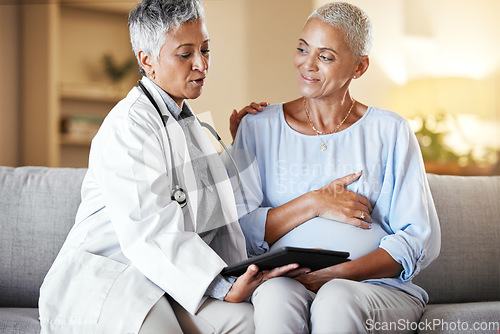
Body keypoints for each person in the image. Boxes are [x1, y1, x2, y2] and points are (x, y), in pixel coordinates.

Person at [38, 1, 302, 333]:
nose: (201, 64)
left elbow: (212, 210)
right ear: (146, 60)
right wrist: (222, 287)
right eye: (185, 54)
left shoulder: (189, 125)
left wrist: (241, 143)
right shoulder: (128, 127)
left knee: (249, 323)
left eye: (205, 50)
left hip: (167, 279)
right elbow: (149, 230)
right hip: (113, 278)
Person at [230, 2, 441, 333]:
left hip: (374, 287)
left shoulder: (390, 131)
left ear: (359, 67)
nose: (307, 65)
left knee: (335, 298)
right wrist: (315, 203)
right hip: (285, 278)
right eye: (302, 49)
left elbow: (415, 238)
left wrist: (336, 274)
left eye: (325, 57)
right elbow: (238, 229)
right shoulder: (257, 127)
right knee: (272, 295)